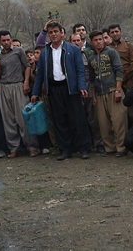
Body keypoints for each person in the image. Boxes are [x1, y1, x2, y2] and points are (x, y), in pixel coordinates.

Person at [31, 21, 91, 160]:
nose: (53, 35)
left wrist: (82, 86)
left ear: (62, 33)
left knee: (78, 119)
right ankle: (65, 149)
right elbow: (40, 74)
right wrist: (35, 92)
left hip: (71, 88)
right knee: (59, 120)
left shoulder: (73, 49)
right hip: (54, 89)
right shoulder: (45, 52)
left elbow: (80, 70)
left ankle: (84, 148)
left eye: (56, 32)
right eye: (50, 32)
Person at [0, 30, 39, 157]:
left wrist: (26, 82)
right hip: (4, 87)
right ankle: (14, 147)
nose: (6, 42)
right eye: (3, 40)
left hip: (18, 85)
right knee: (8, 120)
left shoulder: (18, 51)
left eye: (8, 40)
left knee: (23, 118)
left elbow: (27, 66)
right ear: (0, 41)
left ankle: (32, 146)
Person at [87, 30, 127, 157]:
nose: (98, 42)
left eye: (100, 39)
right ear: (92, 42)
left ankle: (121, 147)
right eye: (95, 40)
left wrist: (118, 90)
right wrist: (93, 96)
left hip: (113, 90)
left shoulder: (111, 52)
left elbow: (119, 71)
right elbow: (92, 79)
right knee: (103, 123)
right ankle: (109, 148)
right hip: (99, 93)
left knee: (118, 121)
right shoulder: (91, 57)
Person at [108, 24, 133, 88]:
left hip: (129, 80)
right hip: (114, 81)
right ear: (109, 35)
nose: (115, 34)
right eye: (112, 32)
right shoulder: (108, 48)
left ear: (121, 32)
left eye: (116, 31)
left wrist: (123, 77)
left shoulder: (129, 45)